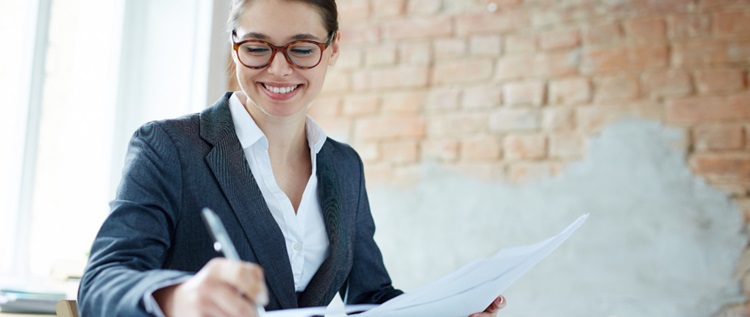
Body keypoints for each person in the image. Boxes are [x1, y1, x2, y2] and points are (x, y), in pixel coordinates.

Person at [77, 0, 506, 316]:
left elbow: (370, 298)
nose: (278, 70)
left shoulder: (344, 166)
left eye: (301, 49)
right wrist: (177, 297)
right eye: (257, 47)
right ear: (233, 46)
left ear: (333, 48)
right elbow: (100, 284)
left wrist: (447, 311)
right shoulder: (168, 147)